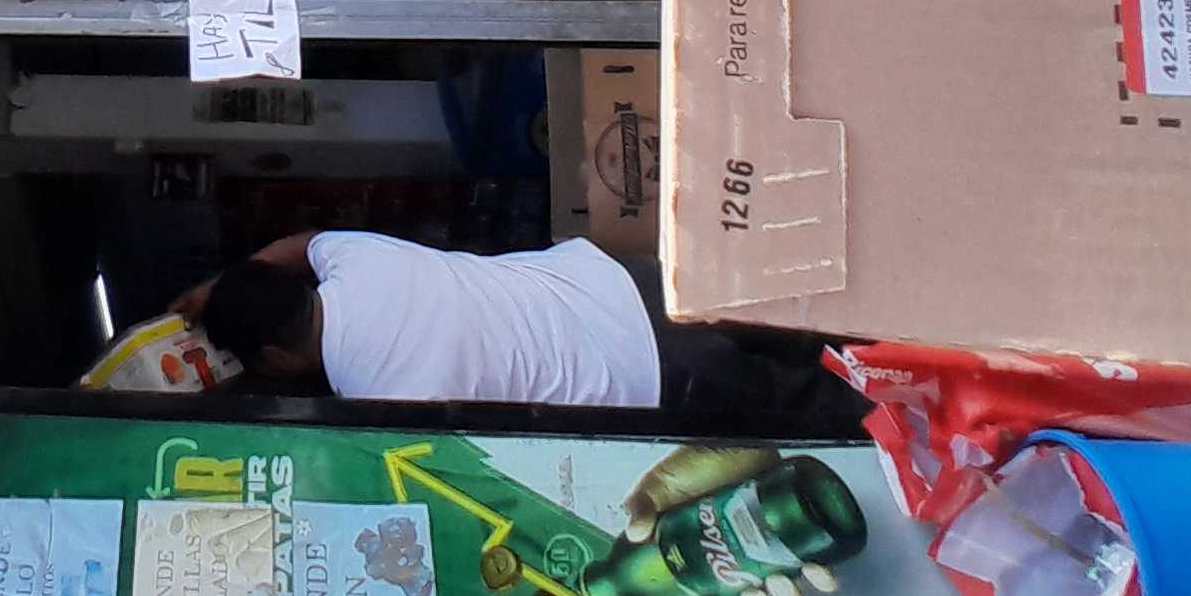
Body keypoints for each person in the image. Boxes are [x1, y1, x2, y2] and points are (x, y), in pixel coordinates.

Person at [178, 230, 866, 434]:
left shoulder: (377, 404)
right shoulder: (356, 258)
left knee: (863, 404)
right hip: (634, 287)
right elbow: (305, 244)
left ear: (275, 357)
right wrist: (225, 282)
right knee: (842, 322)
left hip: (656, 381)